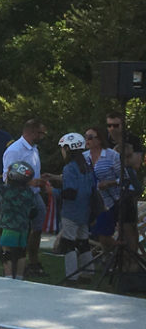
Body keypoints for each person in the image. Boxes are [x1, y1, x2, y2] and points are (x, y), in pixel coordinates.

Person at [2, 118, 48, 275]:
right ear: (32, 132)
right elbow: (7, 177)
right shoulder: (15, 150)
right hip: (19, 198)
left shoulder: (34, 149)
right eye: (41, 133)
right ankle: (14, 264)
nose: (43, 137)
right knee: (18, 230)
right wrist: (29, 183)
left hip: (34, 195)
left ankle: (33, 261)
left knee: (37, 227)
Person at [53, 131, 97, 280]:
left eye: (63, 148)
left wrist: (52, 190)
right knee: (83, 242)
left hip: (71, 212)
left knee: (68, 243)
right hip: (85, 211)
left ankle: (72, 276)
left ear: (68, 149)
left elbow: (70, 193)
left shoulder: (69, 168)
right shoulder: (87, 167)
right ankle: (89, 273)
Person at [104, 110, 143, 252]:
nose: (112, 129)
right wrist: (125, 155)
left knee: (128, 224)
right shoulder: (103, 140)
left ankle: (131, 261)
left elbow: (136, 164)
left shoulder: (133, 139)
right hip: (107, 188)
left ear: (123, 124)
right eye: (109, 126)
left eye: (116, 125)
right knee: (106, 225)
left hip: (127, 187)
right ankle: (112, 257)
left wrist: (116, 153)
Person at [0, 160, 38, 279]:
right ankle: (20, 276)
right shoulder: (29, 192)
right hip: (24, 227)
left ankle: (9, 275)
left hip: (9, 225)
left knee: (6, 251)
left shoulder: (8, 190)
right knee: (21, 252)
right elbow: (33, 211)